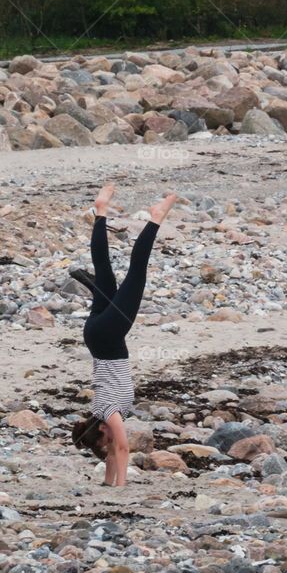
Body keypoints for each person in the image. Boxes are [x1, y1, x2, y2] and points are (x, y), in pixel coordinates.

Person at [71, 183, 177, 486]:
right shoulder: (98, 411)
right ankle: (100, 211)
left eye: (103, 443)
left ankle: (156, 217)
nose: (110, 446)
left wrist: (121, 487)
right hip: (94, 335)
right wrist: (108, 482)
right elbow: (111, 453)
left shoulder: (110, 414)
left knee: (136, 272)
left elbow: (121, 447)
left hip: (109, 335)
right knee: (103, 271)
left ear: (101, 431)